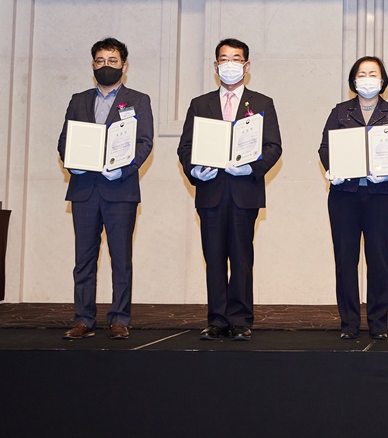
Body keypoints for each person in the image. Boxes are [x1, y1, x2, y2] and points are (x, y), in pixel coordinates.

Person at [178, 38, 282, 342]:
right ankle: (216, 320)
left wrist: (251, 168)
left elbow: (273, 146)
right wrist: (194, 170)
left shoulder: (262, 103)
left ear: (246, 66)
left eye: (236, 59)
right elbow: (185, 147)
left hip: (244, 192)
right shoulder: (200, 104)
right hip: (210, 192)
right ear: (215, 66)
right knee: (213, 258)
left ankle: (240, 320)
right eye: (224, 59)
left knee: (241, 258)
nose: (230, 65)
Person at [57, 37, 154, 340]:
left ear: (124, 65)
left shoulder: (138, 100)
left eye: (112, 61)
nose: (106, 66)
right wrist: (72, 163)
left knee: (121, 258)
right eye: (100, 61)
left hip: (120, 189)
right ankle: (83, 319)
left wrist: (122, 169)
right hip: (84, 189)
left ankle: (119, 318)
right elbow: (65, 140)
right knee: (84, 259)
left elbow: (144, 142)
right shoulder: (78, 100)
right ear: (92, 65)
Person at [318, 56, 388, 341]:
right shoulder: (339, 111)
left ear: (382, 80)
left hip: (381, 195)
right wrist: (333, 170)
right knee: (345, 260)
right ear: (353, 79)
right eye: (362, 73)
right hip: (344, 196)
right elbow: (325, 147)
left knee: (378, 260)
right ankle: (349, 323)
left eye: (373, 73)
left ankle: (378, 324)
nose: (367, 78)